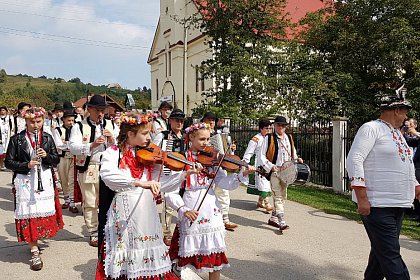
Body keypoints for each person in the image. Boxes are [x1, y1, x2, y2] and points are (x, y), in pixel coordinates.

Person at [96, 112, 196, 280]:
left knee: (148, 248)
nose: (149, 137)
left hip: (146, 210)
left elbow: (161, 184)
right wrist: (139, 183)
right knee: (126, 249)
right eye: (144, 133)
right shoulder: (113, 153)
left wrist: (183, 175)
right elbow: (108, 175)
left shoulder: (147, 154)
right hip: (125, 207)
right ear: (130, 134)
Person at [166, 122, 255, 280]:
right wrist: (182, 209)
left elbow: (225, 183)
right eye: (201, 139)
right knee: (183, 255)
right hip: (190, 207)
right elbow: (170, 190)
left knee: (215, 254)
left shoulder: (213, 159)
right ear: (191, 138)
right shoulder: (181, 159)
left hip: (211, 209)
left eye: (208, 139)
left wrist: (242, 174)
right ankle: (176, 271)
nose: (206, 143)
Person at [346, 94, 420, 280]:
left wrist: (416, 188)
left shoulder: (396, 134)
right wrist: (362, 198)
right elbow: (354, 160)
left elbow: (407, 164)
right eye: (404, 113)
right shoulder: (371, 128)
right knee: (391, 255)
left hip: (399, 204)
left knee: (381, 252)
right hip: (377, 204)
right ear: (397, 110)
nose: (405, 118)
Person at [5, 107, 63, 271]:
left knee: (41, 212)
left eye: (38, 122)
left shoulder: (47, 137)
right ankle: (34, 249)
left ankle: (37, 239)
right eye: (32, 122)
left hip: (43, 179)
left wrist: (47, 156)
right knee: (28, 213)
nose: (35, 125)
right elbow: (9, 162)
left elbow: (55, 160)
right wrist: (26, 165)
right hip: (25, 180)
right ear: (26, 121)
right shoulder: (17, 139)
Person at [69, 94, 119, 247]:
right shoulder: (79, 126)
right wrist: (92, 145)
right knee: (90, 201)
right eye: (97, 110)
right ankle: (93, 231)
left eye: (102, 110)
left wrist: (112, 139)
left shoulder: (110, 124)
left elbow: (121, 144)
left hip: (108, 167)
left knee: (110, 200)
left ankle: (108, 228)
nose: (101, 114)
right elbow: (72, 147)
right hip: (89, 166)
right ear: (89, 109)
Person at [259, 115, 303, 231]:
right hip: (275, 171)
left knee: (283, 196)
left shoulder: (289, 137)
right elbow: (262, 156)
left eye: (283, 126)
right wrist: (271, 166)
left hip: (286, 171)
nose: (281, 128)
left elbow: (292, 152)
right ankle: (281, 221)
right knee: (277, 196)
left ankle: (273, 218)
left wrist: (297, 158)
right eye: (279, 125)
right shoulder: (269, 138)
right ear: (274, 126)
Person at [153, 108, 187, 246]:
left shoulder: (186, 136)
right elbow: (153, 152)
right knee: (168, 205)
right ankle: (166, 232)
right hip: (169, 173)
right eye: (176, 120)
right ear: (170, 121)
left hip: (184, 174)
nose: (179, 123)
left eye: (181, 121)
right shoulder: (163, 136)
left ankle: (180, 230)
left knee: (182, 203)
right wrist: (164, 157)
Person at [202, 112, 237, 230]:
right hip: (205, 167)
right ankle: (208, 219)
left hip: (219, 167)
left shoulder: (220, 134)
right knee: (207, 193)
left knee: (223, 192)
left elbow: (226, 152)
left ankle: (225, 218)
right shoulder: (199, 132)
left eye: (213, 120)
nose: (211, 122)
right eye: (209, 120)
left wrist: (230, 148)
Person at [243, 119, 273, 211]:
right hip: (258, 164)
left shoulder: (269, 138)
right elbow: (249, 151)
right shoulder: (256, 139)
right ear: (261, 128)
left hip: (267, 164)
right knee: (263, 184)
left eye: (269, 128)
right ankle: (267, 204)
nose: (268, 130)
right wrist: (244, 162)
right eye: (266, 128)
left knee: (267, 183)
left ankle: (260, 202)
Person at [53, 109, 78, 213]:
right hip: (62, 158)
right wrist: (70, 145)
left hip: (73, 157)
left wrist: (69, 145)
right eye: (69, 120)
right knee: (64, 179)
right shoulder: (58, 130)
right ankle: (67, 199)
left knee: (72, 179)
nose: (71, 123)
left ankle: (72, 202)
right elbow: (58, 145)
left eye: (72, 120)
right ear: (63, 120)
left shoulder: (76, 130)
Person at [0, 106, 13, 170]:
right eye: (1, 110)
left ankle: (6, 165)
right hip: (1, 137)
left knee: (7, 151)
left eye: (4, 110)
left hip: (8, 136)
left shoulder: (10, 118)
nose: (2, 111)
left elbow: (12, 127)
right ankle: (1, 164)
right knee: (1, 152)